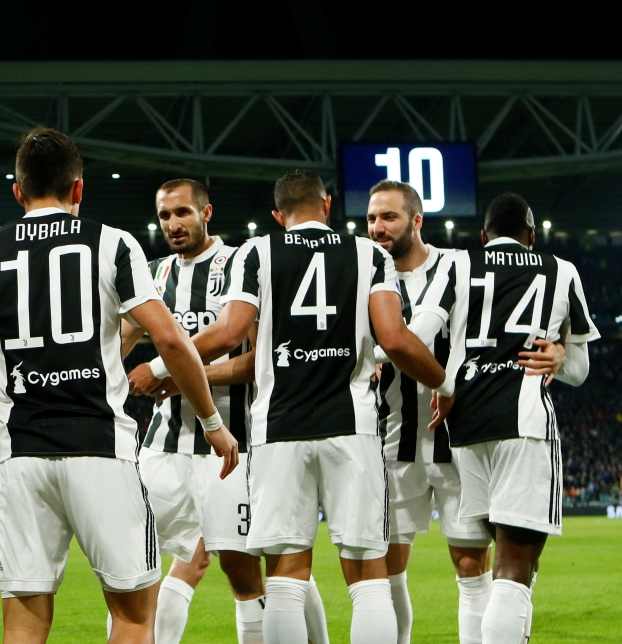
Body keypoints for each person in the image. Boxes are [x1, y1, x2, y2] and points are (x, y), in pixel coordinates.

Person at [0, 126, 239, 644]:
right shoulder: (112, 244)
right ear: (78, 188)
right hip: (102, 450)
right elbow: (172, 341)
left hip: (20, 456)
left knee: (25, 622)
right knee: (132, 616)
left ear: (17, 191)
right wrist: (212, 422)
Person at [189, 169, 452, 644]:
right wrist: (445, 382)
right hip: (352, 428)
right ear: (327, 204)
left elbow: (228, 334)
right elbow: (394, 340)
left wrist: (166, 363)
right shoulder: (369, 254)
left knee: (285, 578)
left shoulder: (257, 252)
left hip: (278, 431)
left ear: (278, 215)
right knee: (368, 578)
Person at [125, 178, 329, 644]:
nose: (173, 224)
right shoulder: (154, 276)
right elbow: (116, 341)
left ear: (206, 212)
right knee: (137, 568)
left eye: (182, 212)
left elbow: (262, 359)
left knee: (248, 569)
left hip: (234, 446)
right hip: (162, 447)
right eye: (164, 215)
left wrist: (182, 375)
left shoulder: (243, 264)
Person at [418, 193, 599, 644]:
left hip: (465, 426)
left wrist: (429, 377)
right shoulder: (561, 270)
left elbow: (418, 334)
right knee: (515, 566)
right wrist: (559, 355)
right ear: (532, 234)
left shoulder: (457, 263)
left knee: (505, 566)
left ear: (483, 235)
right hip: (524, 423)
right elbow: (579, 372)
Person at [365, 180, 494, 644]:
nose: (378, 227)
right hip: (392, 443)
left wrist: (558, 348)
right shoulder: (364, 276)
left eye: (389, 217)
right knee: (387, 568)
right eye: (372, 218)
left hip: (459, 443)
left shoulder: (458, 265)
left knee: (471, 564)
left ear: (416, 221)